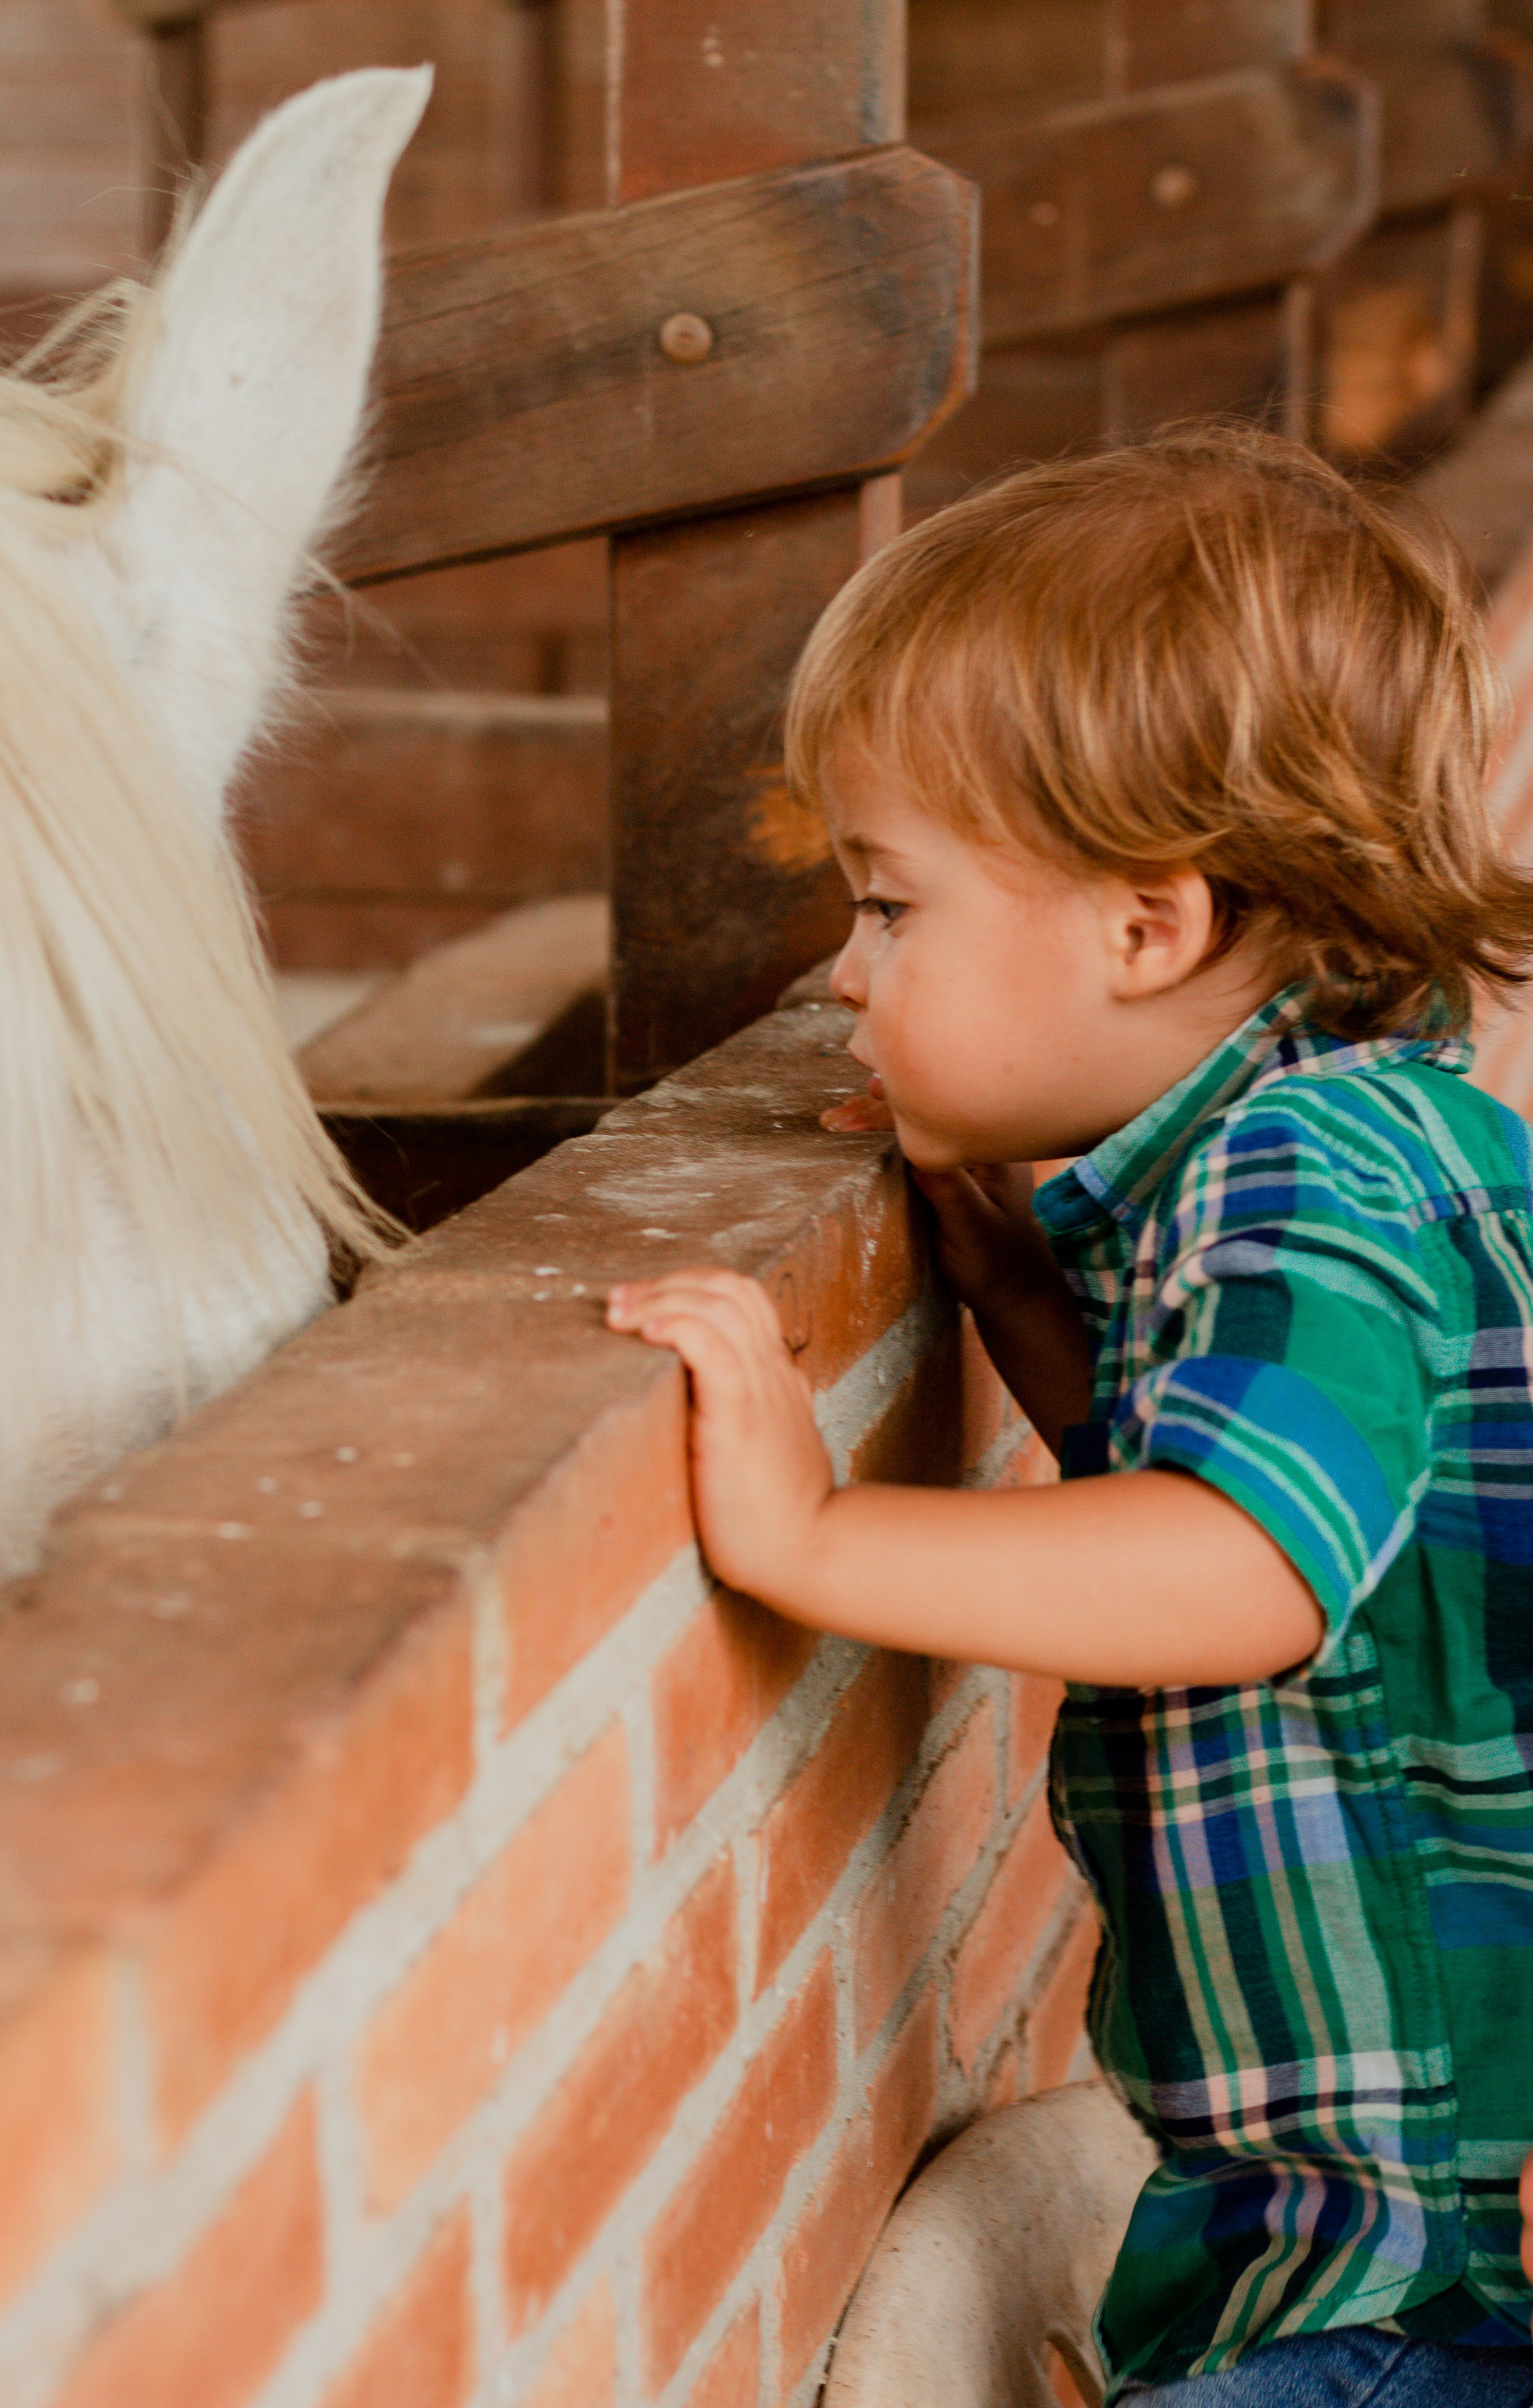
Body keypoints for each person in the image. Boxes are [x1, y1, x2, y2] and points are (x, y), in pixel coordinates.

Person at [606, 429, 1533, 2404]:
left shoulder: (1307, 1176)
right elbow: (1234, 1497)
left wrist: (814, 1537)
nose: (846, 979)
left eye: (890, 907)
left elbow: (1252, 1564)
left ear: (1146, 929)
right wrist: (1025, 1296)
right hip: (1359, 2220)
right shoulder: (1339, 1140)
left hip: (1400, 2275)